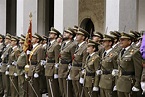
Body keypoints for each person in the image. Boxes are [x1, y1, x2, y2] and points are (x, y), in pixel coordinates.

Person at [116, 32, 143, 97]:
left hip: (129, 83)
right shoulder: (121, 52)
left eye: (123, 40)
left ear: (129, 41)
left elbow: (138, 70)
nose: (121, 42)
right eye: (120, 40)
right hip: (120, 82)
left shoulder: (135, 52)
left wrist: (137, 85)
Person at [69, 27, 89, 97]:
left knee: (80, 91)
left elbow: (84, 62)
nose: (76, 36)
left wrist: (82, 75)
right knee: (75, 91)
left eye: (78, 35)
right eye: (76, 34)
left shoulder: (85, 47)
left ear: (83, 37)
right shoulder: (78, 46)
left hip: (79, 72)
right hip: (74, 71)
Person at [58, 28, 76, 97]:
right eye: (65, 32)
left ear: (71, 36)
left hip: (66, 68)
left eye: (67, 33)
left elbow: (73, 58)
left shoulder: (73, 45)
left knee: (67, 89)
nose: (64, 34)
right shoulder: (63, 43)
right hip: (61, 67)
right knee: (61, 88)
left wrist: (70, 70)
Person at [44, 27, 61, 97]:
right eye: (50, 33)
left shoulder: (56, 45)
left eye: (52, 33)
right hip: (48, 67)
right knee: (49, 87)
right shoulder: (50, 44)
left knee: (53, 87)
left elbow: (57, 59)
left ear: (56, 36)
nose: (50, 34)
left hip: (52, 68)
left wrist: (56, 71)